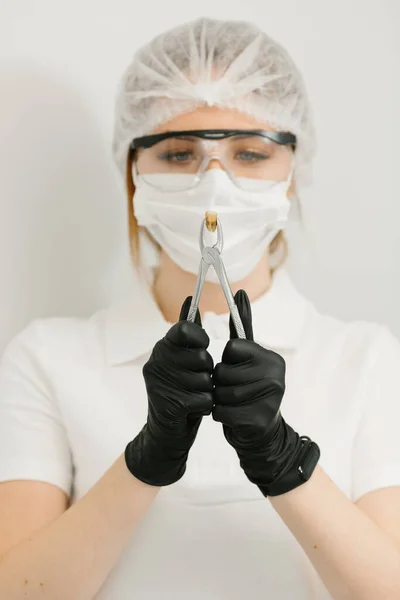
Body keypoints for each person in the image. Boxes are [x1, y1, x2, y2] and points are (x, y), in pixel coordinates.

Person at [0, 16, 399, 600]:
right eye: (181, 154)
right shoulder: (47, 356)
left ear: (292, 171)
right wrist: (145, 461)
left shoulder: (366, 359)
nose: (217, 185)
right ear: (135, 173)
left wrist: (286, 463)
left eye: (250, 153)